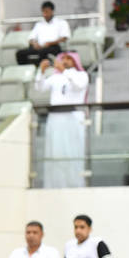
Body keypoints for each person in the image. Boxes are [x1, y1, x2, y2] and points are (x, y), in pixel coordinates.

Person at [36, 52, 89, 188]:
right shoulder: (55, 77)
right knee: (56, 152)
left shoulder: (81, 75)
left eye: (68, 59)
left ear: (75, 61)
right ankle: (55, 185)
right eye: (63, 58)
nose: (65, 61)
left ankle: (76, 184)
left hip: (74, 118)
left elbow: (78, 85)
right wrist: (41, 72)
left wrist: (64, 71)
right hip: (56, 118)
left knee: (73, 152)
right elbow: (40, 88)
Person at [16, 0, 71, 66]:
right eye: (43, 12)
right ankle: (28, 69)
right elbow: (31, 38)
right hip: (39, 47)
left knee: (43, 52)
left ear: (52, 11)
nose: (44, 14)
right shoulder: (39, 24)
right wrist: (34, 44)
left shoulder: (61, 22)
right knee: (20, 53)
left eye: (46, 12)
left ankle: (41, 68)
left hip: (54, 47)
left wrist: (49, 43)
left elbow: (64, 38)